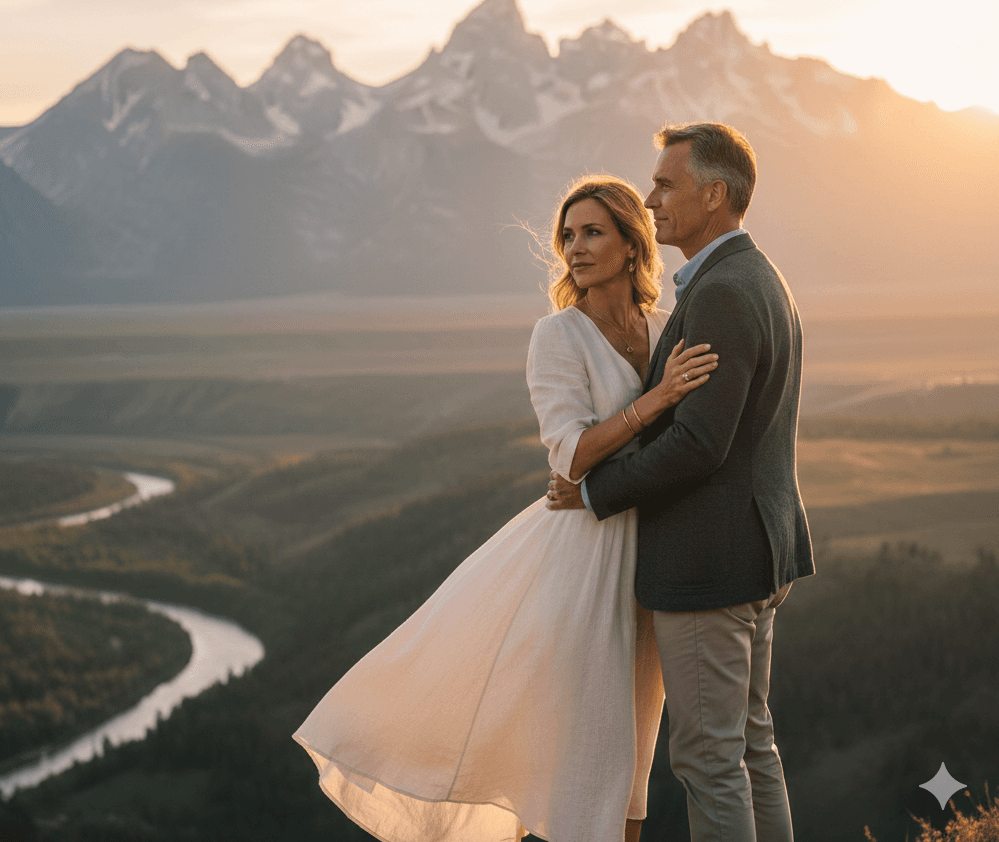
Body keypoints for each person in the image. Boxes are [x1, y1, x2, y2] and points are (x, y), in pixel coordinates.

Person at [293, 174, 719, 842]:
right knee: (585, 753)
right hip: (583, 561)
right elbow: (570, 456)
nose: (575, 248)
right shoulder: (558, 335)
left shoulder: (667, 328)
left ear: (634, 244)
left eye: (592, 233)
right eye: (568, 236)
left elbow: (690, 444)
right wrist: (655, 401)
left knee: (634, 755)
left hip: (656, 559)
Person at [547, 122, 816, 842]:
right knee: (750, 746)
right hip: (757, 549)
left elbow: (699, 445)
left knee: (708, 759)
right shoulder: (758, 277)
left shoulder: (723, 292)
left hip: (710, 561)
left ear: (715, 194)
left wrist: (596, 492)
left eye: (667, 184)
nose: (652, 196)